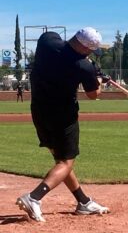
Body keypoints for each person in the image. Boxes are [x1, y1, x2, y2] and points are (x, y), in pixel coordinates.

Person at [16, 27, 110, 222]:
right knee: (66, 163)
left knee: (61, 160)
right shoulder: (83, 67)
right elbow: (94, 95)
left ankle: (83, 202)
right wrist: (98, 78)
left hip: (39, 112)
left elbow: (63, 48)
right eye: (91, 50)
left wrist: (89, 68)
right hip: (63, 117)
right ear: (86, 49)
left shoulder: (47, 42)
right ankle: (34, 197)